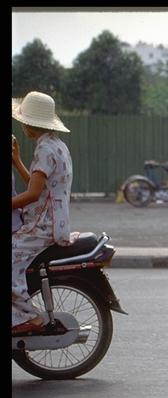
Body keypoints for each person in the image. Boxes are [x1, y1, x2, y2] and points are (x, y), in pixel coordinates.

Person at [12, 91, 73, 334]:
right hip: (52, 221)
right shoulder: (56, 145)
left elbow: (32, 195)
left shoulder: (44, 149)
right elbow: (38, 187)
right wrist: (17, 161)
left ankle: (30, 315)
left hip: (43, 226)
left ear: (29, 123)